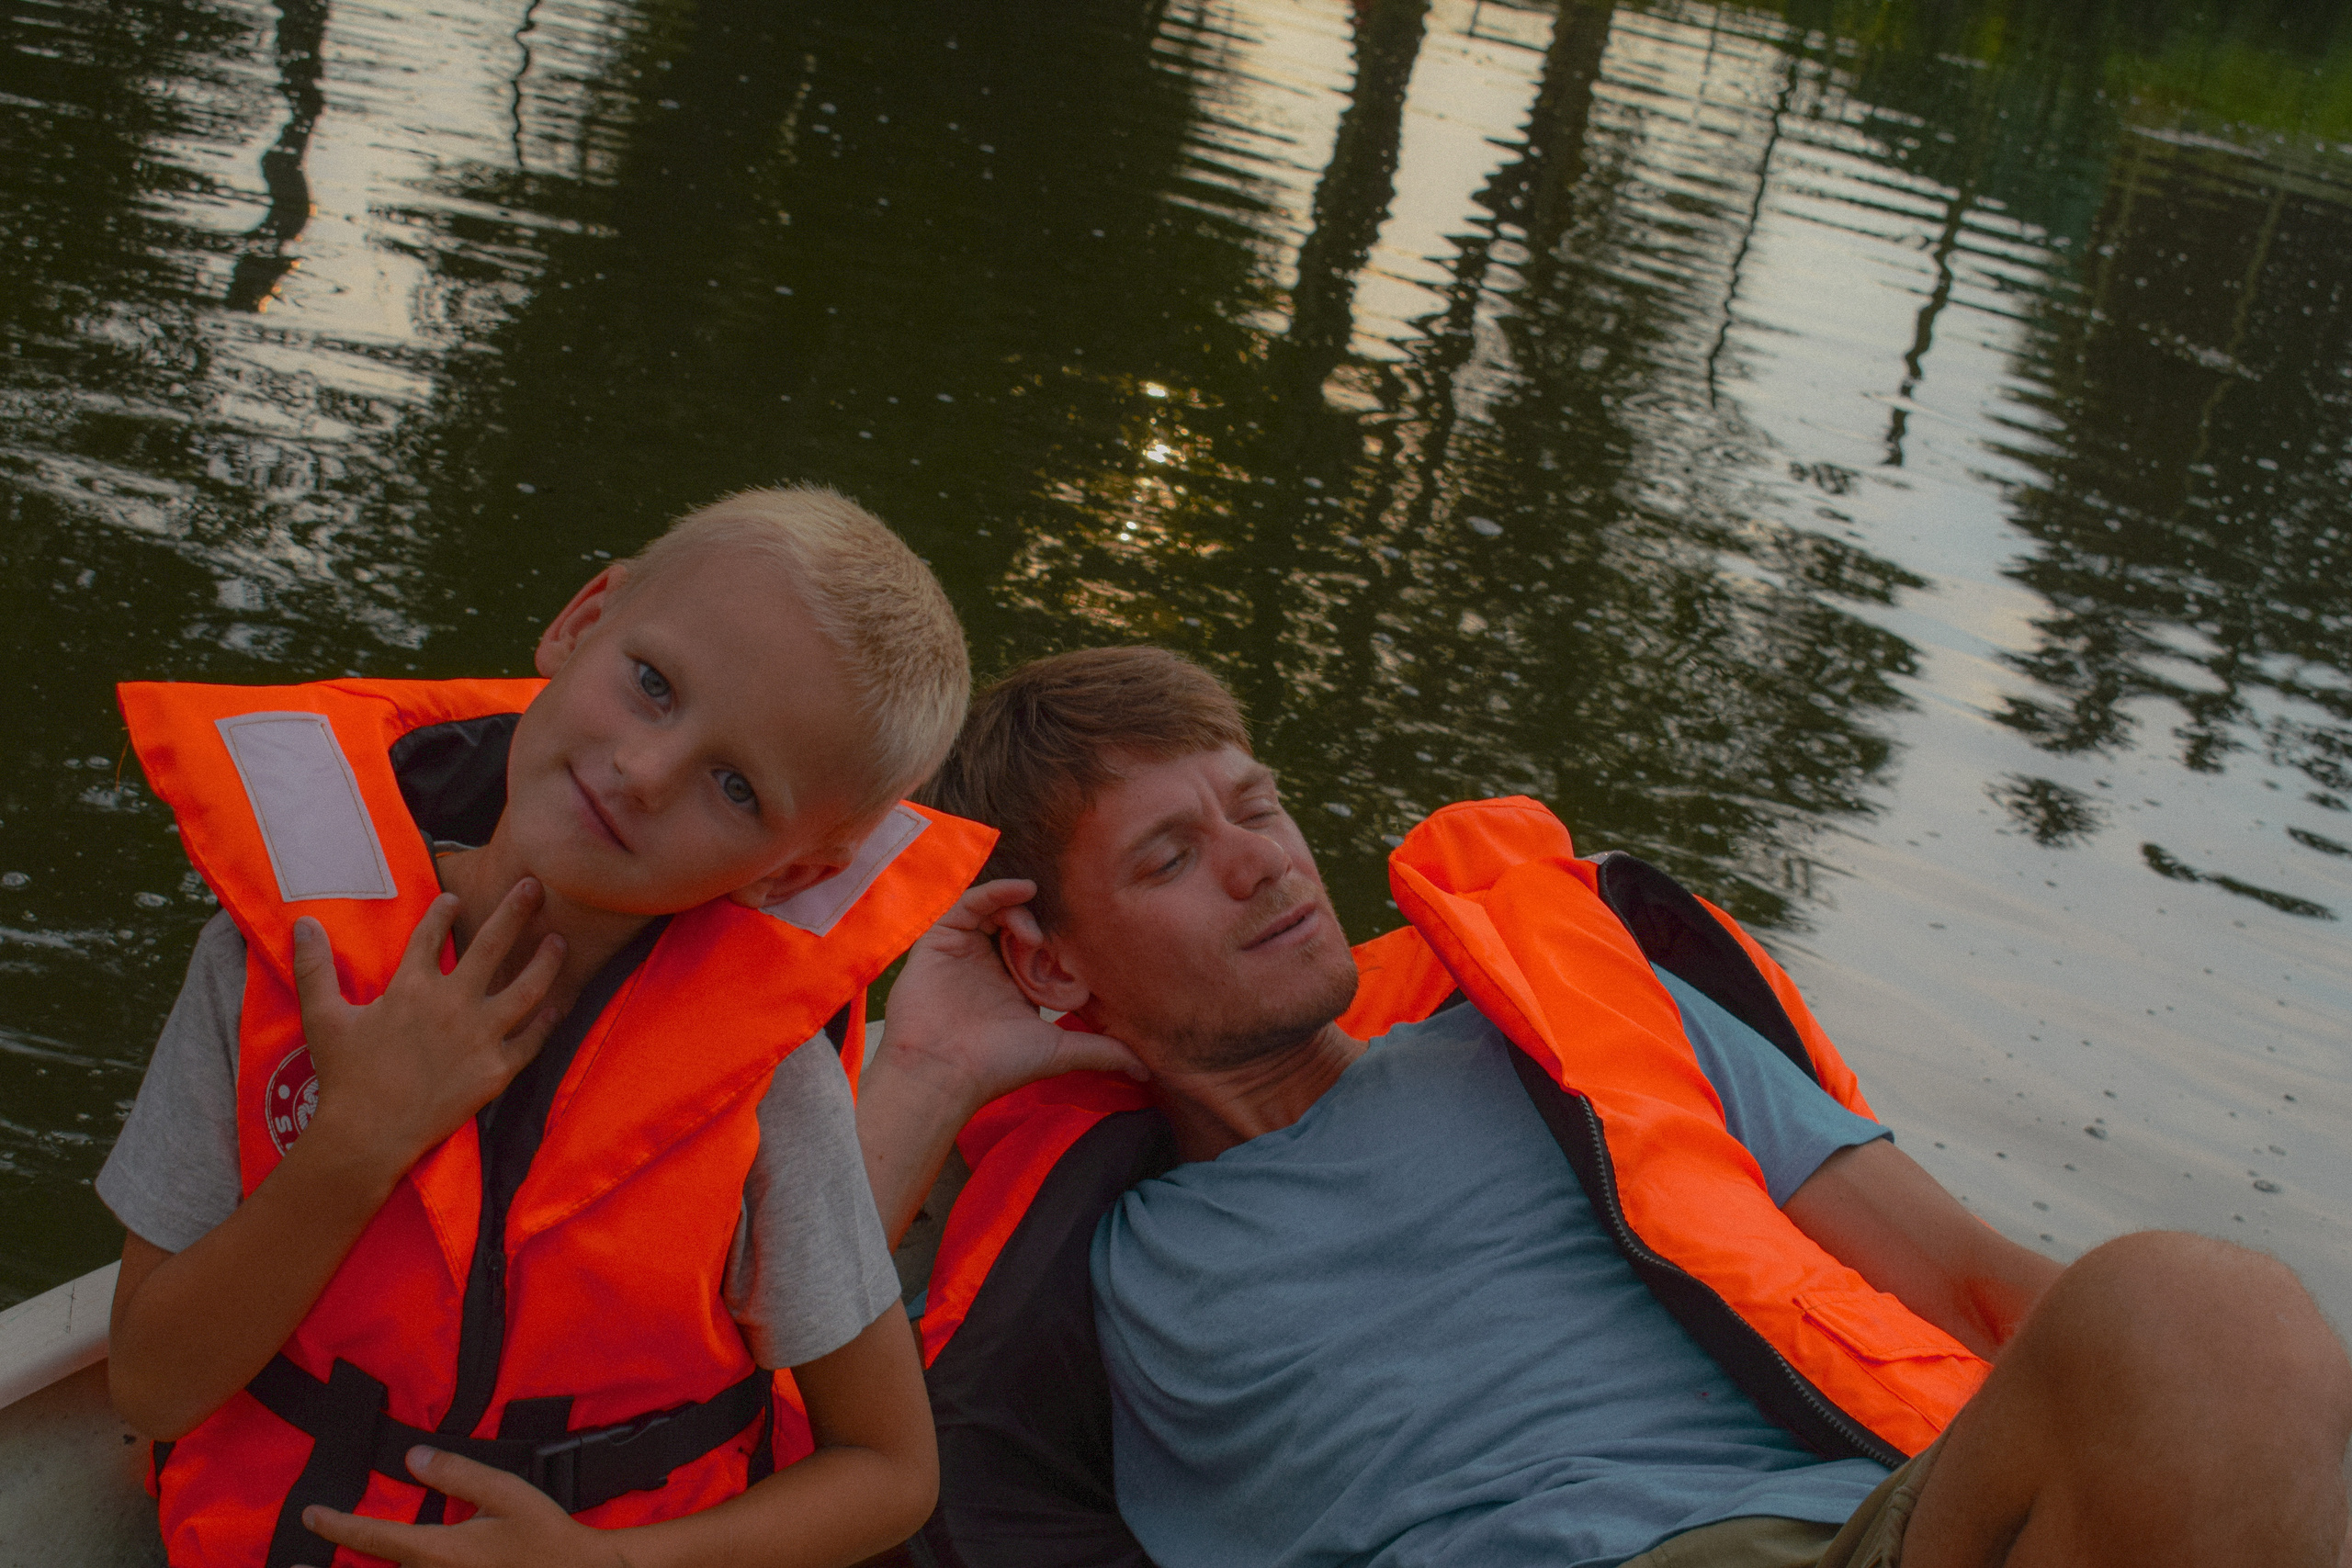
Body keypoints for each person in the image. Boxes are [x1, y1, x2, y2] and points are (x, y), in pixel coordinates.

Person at [858, 646, 2352, 1568]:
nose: (1265, 861)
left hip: (1877, 1531)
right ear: (1047, 954)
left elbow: (1971, 1281)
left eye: (1257, 805)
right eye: (1170, 856)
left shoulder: (1569, 1032)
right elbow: (756, 1398)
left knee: (2210, 1315)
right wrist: (923, 1064)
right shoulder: (1080, 1274)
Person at [99, 486, 996, 1568]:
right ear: (581, 623)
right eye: (653, 685)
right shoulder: (272, 968)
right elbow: (151, 1387)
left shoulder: (764, 1085)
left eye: (736, 787)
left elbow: (890, 1473)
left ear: (797, 871)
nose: (644, 773)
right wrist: (358, 1141)